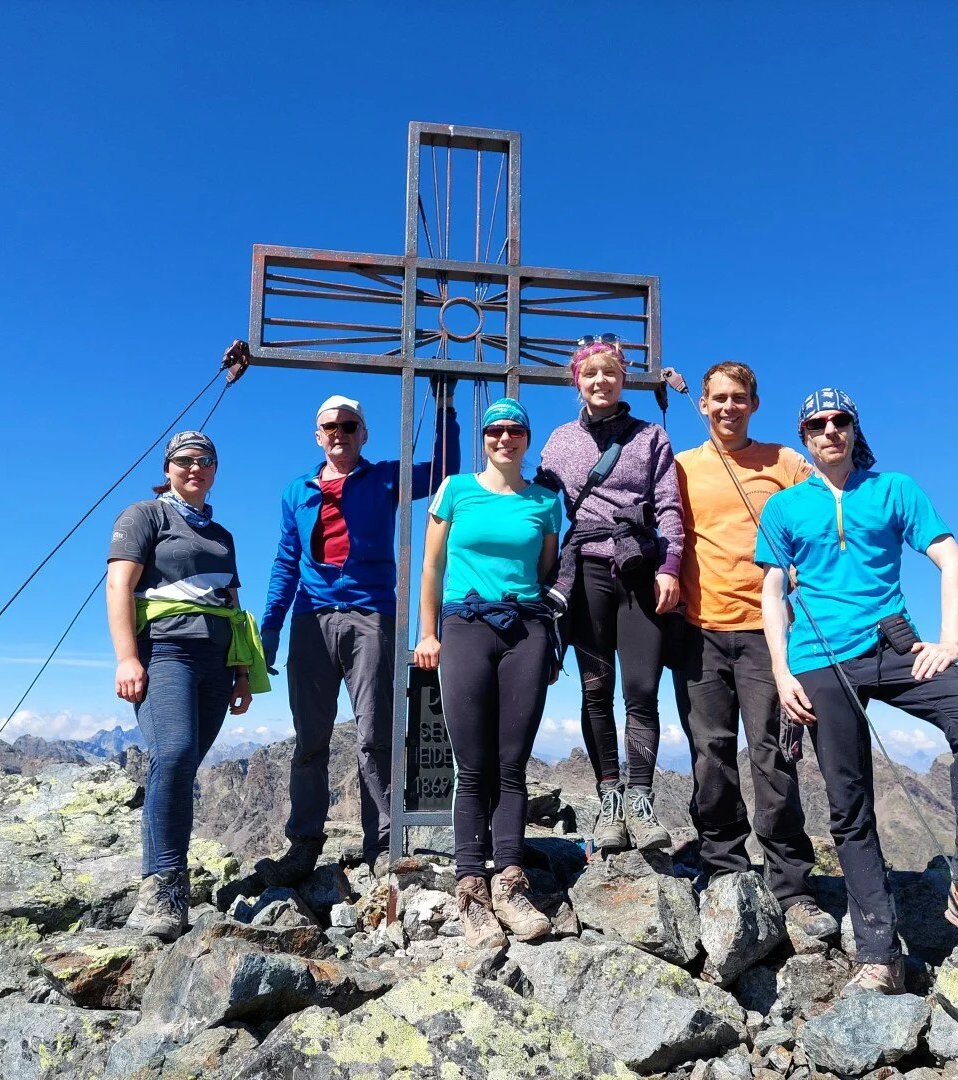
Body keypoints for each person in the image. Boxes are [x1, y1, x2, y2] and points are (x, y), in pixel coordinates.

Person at [758, 387, 958, 995]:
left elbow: (954, 562)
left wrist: (951, 642)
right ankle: (879, 955)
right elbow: (773, 593)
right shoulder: (784, 508)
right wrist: (782, 673)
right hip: (819, 659)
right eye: (817, 424)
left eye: (840, 421)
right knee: (849, 802)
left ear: (854, 429)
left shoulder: (895, 489)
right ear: (804, 437)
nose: (830, 431)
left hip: (894, 645)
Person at [259, 384, 459, 882]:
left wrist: (445, 408)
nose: (339, 433)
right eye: (330, 426)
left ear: (364, 434)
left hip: (372, 615)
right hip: (311, 619)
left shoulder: (384, 478)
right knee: (310, 736)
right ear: (317, 436)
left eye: (349, 426)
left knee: (375, 734)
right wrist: (270, 627)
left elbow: (444, 473)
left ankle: (384, 843)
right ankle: (304, 843)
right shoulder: (297, 491)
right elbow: (286, 561)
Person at [672, 362, 837, 939]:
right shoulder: (682, 467)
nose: (728, 407)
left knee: (774, 753)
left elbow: (825, 508)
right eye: (718, 398)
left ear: (754, 404)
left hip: (768, 632)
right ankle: (724, 869)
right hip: (698, 629)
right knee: (710, 751)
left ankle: (791, 884)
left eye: (739, 398)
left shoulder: (784, 462)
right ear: (703, 405)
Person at [107, 431, 268, 942]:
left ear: (215, 469)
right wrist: (127, 658)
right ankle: (161, 889)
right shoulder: (145, 515)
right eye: (184, 460)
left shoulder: (222, 535)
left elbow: (232, 604)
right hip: (166, 651)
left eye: (205, 460)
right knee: (173, 755)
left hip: (217, 660)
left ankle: (168, 889)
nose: (194, 467)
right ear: (168, 467)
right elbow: (119, 585)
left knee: (182, 766)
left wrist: (242, 672)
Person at [413, 398, 559, 948]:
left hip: (525, 628)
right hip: (465, 625)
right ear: (484, 439)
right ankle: (471, 887)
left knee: (512, 764)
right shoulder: (454, 490)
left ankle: (510, 883)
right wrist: (428, 634)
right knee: (472, 765)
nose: (504, 438)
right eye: (494, 430)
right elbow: (432, 565)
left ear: (526, 439)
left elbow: (545, 569)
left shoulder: (545, 502)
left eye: (514, 430)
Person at [538, 334, 683, 853]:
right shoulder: (558, 441)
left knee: (642, 689)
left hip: (640, 569)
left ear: (623, 379)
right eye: (590, 373)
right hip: (586, 573)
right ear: (576, 380)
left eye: (610, 372)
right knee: (595, 688)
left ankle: (640, 800)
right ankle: (609, 801)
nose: (600, 380)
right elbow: (540, 507)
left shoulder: (650, 437)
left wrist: (670, 566)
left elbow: (669, 505)